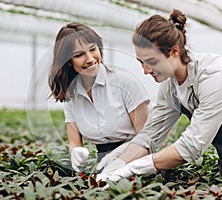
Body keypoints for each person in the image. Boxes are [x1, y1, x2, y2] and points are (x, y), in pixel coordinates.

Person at [97, 9, 222, 181]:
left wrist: (133, 168)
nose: (145, 70)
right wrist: (117, 164)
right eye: (141, 62)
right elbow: (150, 135)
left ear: (174, 51)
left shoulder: (217, 77)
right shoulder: (170, 85)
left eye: (151, 61)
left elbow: (192, 147)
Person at [48, 22, 150, 172]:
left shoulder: (124, 82)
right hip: (103, 165)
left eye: (92, 49)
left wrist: (121, 160)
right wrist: (76, 152)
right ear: (68, 61)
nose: (90, 59)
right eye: (79, 55)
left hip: (138, 160)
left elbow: (146, 138)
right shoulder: (72, 94)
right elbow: (74, 142)